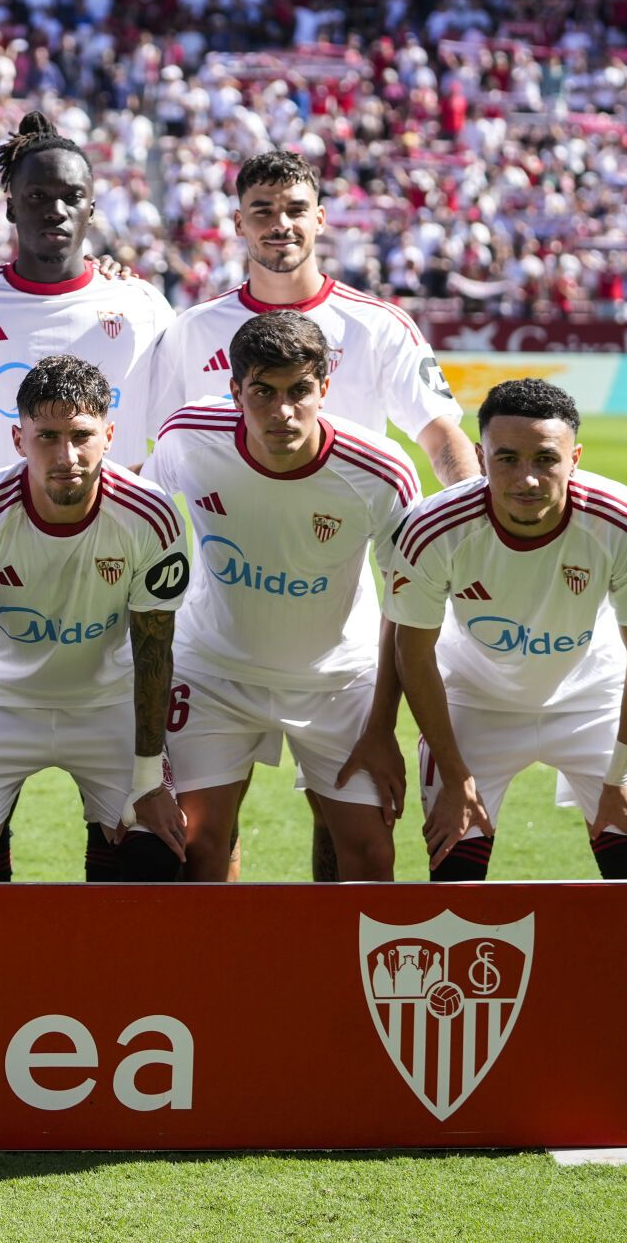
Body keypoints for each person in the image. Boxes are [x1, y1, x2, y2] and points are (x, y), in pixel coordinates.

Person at [143, 148, 477, 881]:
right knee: (205, 839)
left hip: (339, 621)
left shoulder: (377, 325)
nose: (280, 224)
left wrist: (470, 520)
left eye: (295, 209)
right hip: (226, 619)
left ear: (320, 218)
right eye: (262, 210)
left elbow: (441, 431)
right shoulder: (194, 330)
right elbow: (145, 467)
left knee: (347, 830)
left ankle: (329, 987)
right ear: (237, 224)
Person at [142, 311, 418, 882]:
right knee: (196, 847)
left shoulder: (381, 472)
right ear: (235, 390)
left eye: (299, 391)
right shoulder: (187, 437)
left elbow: (405, 605)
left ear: (325, 388)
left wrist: (383, 726)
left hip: (337, 680)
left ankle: (340, 974)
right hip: (214, 670)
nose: (282, 411)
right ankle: (216, 972)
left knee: (370, 854)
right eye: (262, 392)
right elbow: (136, 513)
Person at [384, 378, 627, 880]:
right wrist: (455, 776)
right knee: (454, 869)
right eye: (507, 459)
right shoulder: (433, 529)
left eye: (546, 459)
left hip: (594, 700)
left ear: (575, 458)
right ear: (480, 459)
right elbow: (412, 653)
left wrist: (622, 773)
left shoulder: (621, 520)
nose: (527, 479)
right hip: (473, 704)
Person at [0, 356, 191, 882]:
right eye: (46, 436)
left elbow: (154, 649)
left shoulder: (151, 514)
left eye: (81, 435)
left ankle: (103, 964)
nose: (66, 455)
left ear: (109, 434)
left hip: (107, 703)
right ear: (17, 438)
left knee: (155, 858)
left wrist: (149, 779)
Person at [0, 112, 175, 483]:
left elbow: (187, 428)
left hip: (117, 539)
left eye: (72, 197)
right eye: (38, 196)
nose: (56, 211)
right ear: (11, 207)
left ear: (91, 211)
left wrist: (138, 486)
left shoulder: (141, 304)